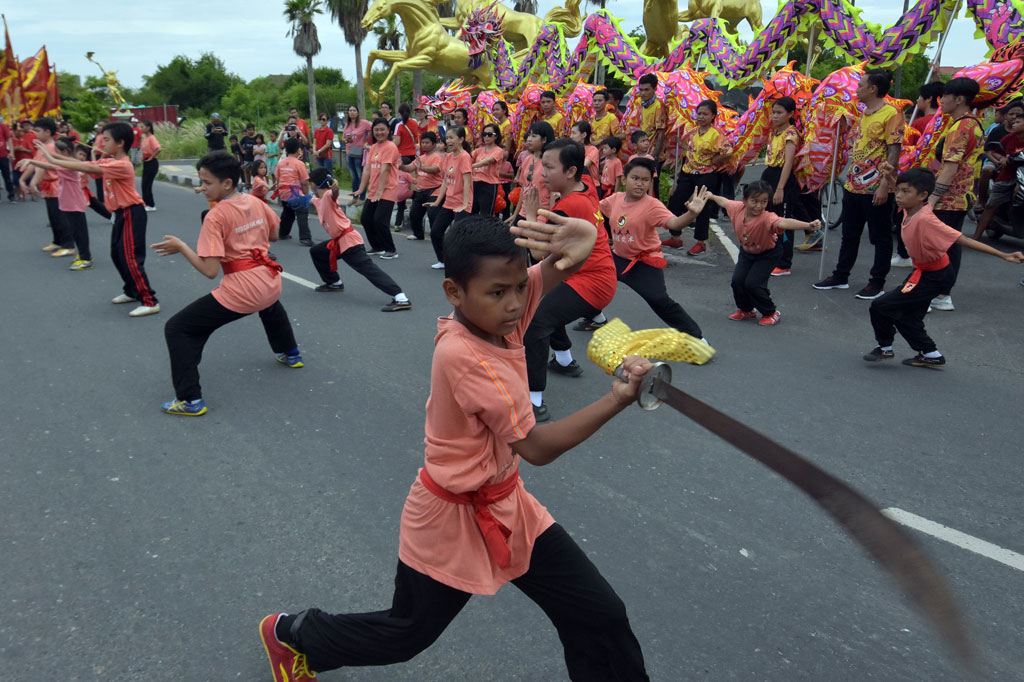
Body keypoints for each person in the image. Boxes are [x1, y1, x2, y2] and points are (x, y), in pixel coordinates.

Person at [259, 213, 653, 682]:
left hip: (507, 506)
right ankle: (293, 634)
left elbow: (555, 268)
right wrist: (617, 398)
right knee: (406, 634)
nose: (514, 304)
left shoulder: (497, 310)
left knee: (599, 615)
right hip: (451, 518)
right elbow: (538, 447)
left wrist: (589, 235)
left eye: (518, 289)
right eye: (498, 293)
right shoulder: (469, 358)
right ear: (454, 293)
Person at [151, 151, 303, 416]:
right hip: (270, 279)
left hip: (244, 289)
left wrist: (182, 247)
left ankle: (190, 400)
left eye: (207, 183)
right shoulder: (254, 202)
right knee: (267, 303)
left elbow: (210, 271)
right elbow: (275, 235)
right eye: (201, 182)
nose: (203, 188)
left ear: (227, 183)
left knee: (178, 328)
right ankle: (291, 353)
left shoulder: (215, 217)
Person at [863, 167, 1023, 367]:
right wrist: (887, 174)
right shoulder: (912, 206)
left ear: (923, 195)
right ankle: (931, 354)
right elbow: (899, 186)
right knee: (908, 316)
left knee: (881, 306)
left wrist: (1004, 255)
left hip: (934, 275)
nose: (899, 196)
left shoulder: (926, 219)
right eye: (898, 191)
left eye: (905, 192)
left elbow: (962, 239)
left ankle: (885, 348)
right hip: (924, 271)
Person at [523, 139, 618, 422]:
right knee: (541, 300)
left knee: (536, 320)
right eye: (542, 165)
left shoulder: (567, 207)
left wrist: (530, 213)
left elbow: (538, 253)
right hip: (588, 274)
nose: (542, 173)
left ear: (570, 171)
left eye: (549, 167)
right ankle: (565, 360)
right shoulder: (585, 185)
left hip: (590, 281)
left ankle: (533, 400)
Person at [36, 121, 159, 317]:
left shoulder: (121, 165)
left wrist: (51, 157)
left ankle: (149, 300)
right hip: (121, 213)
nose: (102, 143)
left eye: (107, 140)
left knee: (130, 258)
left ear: (120, 143)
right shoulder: (109, 161)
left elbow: (84, 168)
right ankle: (132, 291)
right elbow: (81, 164)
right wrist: (50, 157)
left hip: (132, 212)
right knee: (116, 255)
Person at [577, 157, 710, 337]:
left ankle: (696, 337)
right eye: (635, 178)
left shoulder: (652, 205)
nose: (640, 184)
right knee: (587, 282)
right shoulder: (615, 199)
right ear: (624, 180)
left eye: (645, 180)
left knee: (659, 300)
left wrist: (691, 213)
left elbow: (675, 223)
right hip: (617, 258)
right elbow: (592, 210)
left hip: (644, 261)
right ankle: (596, 319)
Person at [814, 69, 904, 299]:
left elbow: (894, 151)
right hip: (854, 184)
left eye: (861, 85)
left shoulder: (891, 113)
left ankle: (877, 283)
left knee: (880, 237)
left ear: (873, 88)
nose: (857, 89)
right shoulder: (864, 113)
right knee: (849, 234)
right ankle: (840, 276)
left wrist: (885, 184)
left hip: (876, 186)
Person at [704, 180, 823, 326]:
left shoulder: (767, 217)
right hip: (747, 252)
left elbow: (784, 222)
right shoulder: (737, 208)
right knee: (737, 281)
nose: (759, 206)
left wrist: (808, 225)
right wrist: (711, 196)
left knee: (753, 284)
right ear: (745, 200)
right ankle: (746, 310)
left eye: (764, 202)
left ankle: (771, 312)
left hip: (768, 254)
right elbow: (724, 201)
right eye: (754, 201)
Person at [306, 167, 412, 311]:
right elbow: (308, 197)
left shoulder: (327, 196)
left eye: (310, 182)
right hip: (340, 241)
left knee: (369, 270)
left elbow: (333, 193)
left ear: (314, 184)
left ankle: (400, 297)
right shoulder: (318, 199)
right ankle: (334, 282)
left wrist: (336, 188)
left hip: (349, 242)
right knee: (317, 251)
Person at [925, 77, 984, 312]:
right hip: (963, 196)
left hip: (949, 198)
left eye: (944, 97)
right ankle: (942, 293)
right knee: (950, 245)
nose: (941, 102)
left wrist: (931, 199)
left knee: (937, 246)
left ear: (959, 99)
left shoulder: (961, 127)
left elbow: (949, 168)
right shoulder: (974, 123)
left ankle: (935, 293)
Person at [665, 99, 733, 254]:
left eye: (705, 114)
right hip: (688, 172)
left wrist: (714, 162)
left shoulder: (716, 134)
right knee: (675, 201)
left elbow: (728, 151)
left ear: (713, 116)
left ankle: (701, 242)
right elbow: (686, 149)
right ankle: (675, 237)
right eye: (699, 113)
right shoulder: (693, 131)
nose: (701, 117)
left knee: (702, 209)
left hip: (706, 175)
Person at [23, 136, 93, 269]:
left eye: (56, 151)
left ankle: (85, 258)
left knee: (80, 232)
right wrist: (39, 156)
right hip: (69, 203)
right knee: (76, 231)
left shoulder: (70, 166)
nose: (54, 153)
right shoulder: (68, 163)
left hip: (74, 204)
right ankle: (83, 255)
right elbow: (52, 163)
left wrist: (39, 156)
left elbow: (51, 163)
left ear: (65, 152)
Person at [760, 97, 807, 277]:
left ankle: (784, 262)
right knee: (769, 217)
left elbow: (788, 163)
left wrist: (780, 188)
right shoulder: (775, 132)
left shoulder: (791, 133)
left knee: (783, 220)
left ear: (790, 114)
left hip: (784, 179)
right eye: (774, 112)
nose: (775, 116)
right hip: (770, 174)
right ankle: (772, 255)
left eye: (779, 112)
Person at [16, 117, 73, 254]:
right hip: (48, 185)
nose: (35, 133)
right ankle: (57, 241)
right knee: (53, 216)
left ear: (47, 132)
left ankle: (68, 245)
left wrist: (33, 182)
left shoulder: (51, 147)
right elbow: (34, 163)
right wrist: (22, 180)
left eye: (37, 130)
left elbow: (42, 168)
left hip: (55, 185)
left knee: (59, 216)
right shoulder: (42, 147)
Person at [972, 106, 1024, 242]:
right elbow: (994, 150)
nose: (1014, 123)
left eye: (1018, 121)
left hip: (1022, 175)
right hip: (1007, 175)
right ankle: (976, 237)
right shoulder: (1007, 138)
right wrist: (1002, 159)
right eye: (1013, 118)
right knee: (992, 205)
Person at [425, 126, 473, 268]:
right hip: (449, 202)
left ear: (461, 139)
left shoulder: (465, 157)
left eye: (452, 138)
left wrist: (465, 204)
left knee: (457, 237)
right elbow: (445, 181)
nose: (449, 141)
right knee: (436, 232)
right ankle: (443, 260)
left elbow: (467, 182)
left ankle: (465, 263)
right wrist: (437, 202)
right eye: (447, 138)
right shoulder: (448, 157)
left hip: (462, 203)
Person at [353, 118, 400, 259]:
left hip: (387, 189)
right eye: (376, 130)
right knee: (366, 219)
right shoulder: (373, 147)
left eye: (382, 129)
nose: (379, 132)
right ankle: (377, 247)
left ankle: (391, 250)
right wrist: (361, 189)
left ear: (388, 131)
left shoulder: (390, 146)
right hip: (374, 190)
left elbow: (385, 169)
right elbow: (367, 169)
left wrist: (380, 191)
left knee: (380, 220)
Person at [507, 122, 555, 227]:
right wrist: (515, 214)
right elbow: (524, 188)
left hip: (541, 216)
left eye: (534, 136)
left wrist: (551, 220)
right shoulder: (528, 159)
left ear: (544, 140)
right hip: (523, 214)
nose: (529, 139)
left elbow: (553, 193)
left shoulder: (550, 163)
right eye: (529, 135)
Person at [402, 130, 443, 241]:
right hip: (421, 190)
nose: (424, 145)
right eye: (423, 142)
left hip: (434, 190)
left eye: (427, 143)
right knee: (414, 214)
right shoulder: (421, 157)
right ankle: (418, 234)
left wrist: (422, 167)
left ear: (434, 144)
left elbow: (435, 169)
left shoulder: (437, 157)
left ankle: (436, 236)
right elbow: (409, 168)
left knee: (433, 215)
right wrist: (399, 165)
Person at [276, 137, 313, 245]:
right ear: (298, 150)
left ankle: (282, 233)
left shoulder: (281, 163)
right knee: (302, 213)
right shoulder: (299, 164)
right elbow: (305, 182)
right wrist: (306, 196)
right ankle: (305, 238)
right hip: (295, 193)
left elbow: (278, 179)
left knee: (288, 213)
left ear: (286, 150)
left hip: (283, 192)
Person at [393, 103, 422, 230]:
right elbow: (417, 138)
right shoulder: (415, 123)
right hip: (412, 157)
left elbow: (397, 142)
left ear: (399, 113)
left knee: (401, 183)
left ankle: (399, 220)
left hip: (402, 158)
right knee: (412, 182)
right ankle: (416, 204)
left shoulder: (399, 125)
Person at [470, 123, 505, 216]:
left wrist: (473, 166)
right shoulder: (478, 150)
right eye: (484, 134)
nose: (486, 137)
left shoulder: (498, 150)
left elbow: (488, 161)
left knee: (486, 214)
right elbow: (468, 159)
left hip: (489, 185)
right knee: (471, 213)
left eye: (489, 134)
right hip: (475, 183)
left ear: (496, 136)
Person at [342, 105, 371, 204]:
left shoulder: (364, 123)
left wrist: (367, 141)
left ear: (358, 112)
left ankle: (362, 198)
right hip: (349, 152)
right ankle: (354, 197)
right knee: (353, 176)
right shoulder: (347, 124)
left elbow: (372, 130)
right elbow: (343, 137)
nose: (352, 112)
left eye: (354, 110)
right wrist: (346, 139)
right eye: (350, 110)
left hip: (359, 152)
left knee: (360, 175)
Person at [635, 74, 667, 161]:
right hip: (642, 151)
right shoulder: (640, 104)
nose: (643, 93)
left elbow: (661, 132)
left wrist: (655, 156)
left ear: (655, 89)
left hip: (653, 153)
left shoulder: (658, 106)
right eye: (641, 90)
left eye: (647, 90)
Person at [627, 130, 658, 197]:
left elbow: (651, 179)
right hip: (634, 189)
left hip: (645, 190)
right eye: (643, 141)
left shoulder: (650, 159)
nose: (646, 143)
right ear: (635, 146)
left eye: (647, 140)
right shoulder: (631, 159)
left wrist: (650, 194)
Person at [140, 120, 161, 211]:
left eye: (143, 127)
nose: (141, 129)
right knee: (144, 184)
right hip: (146, 162)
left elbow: (158, 149)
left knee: (147, 184)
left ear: (148, 128)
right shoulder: (144, 139)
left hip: (151, 163)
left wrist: (151, 157)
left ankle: (151, 204)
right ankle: (146, 203)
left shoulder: (152, 138)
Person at [0, 115, 14, 202]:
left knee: (7, 175)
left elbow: (9, 139)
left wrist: (11, 152)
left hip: (3, 155)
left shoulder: (2, 125)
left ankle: (11, 194)